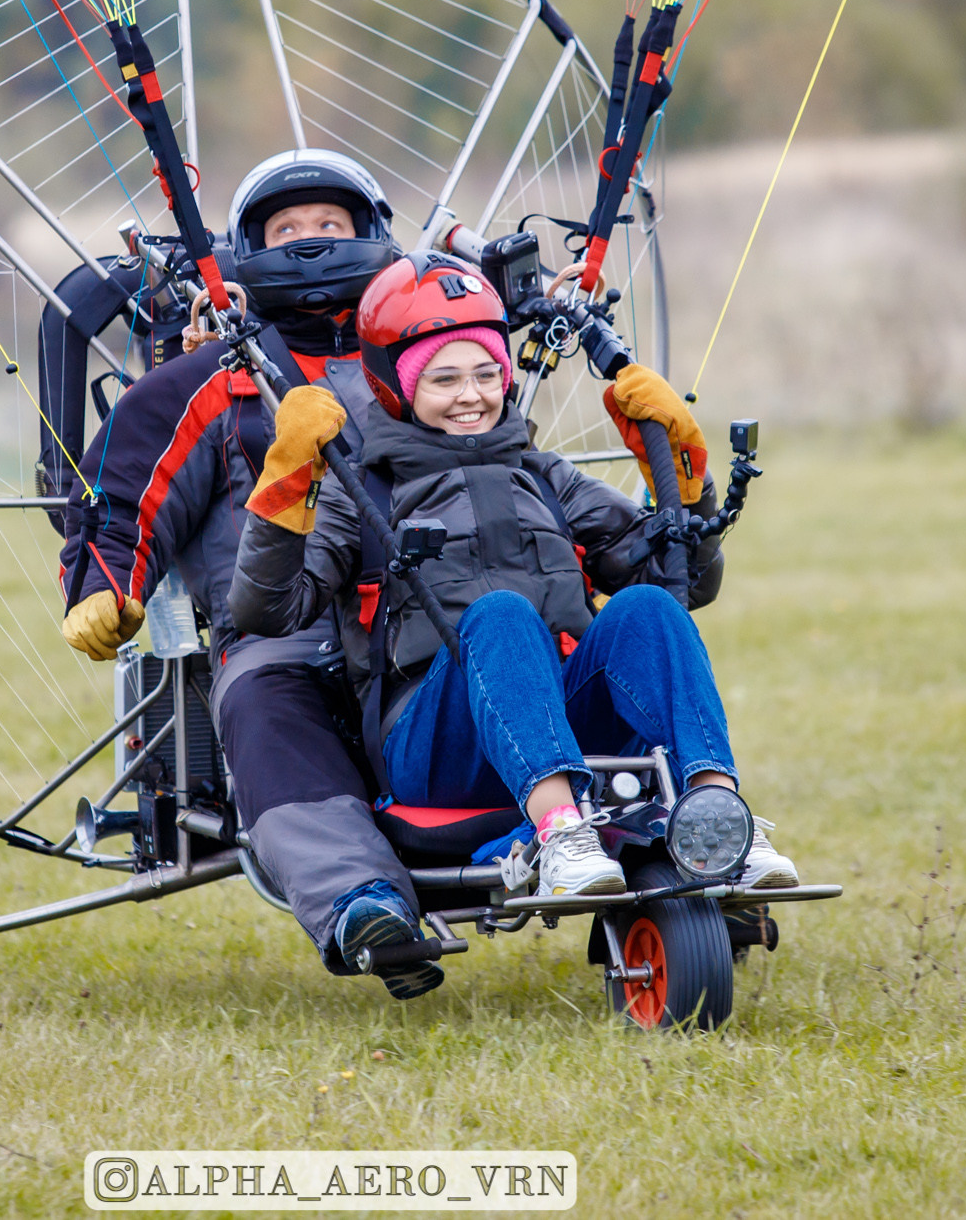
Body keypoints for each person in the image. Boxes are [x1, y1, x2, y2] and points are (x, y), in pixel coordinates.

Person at [229, 253, 797, 904]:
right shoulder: (362, 493)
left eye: (485, 373)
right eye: (443, 379)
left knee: (646, 606)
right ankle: (559, 830)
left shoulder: (545, 477)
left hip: (565, 719)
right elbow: (265, 610)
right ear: (395, 386)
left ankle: (718, 817)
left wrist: (686, 486)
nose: (471, 394)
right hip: (437, 744)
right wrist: (287, 483)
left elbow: (687, 581)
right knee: (501, 613)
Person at [55, 152, 445, 997]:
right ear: (248, 253)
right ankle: (361, 901)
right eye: (288, 231)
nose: (310, 245)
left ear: (373, 237)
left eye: (330, 228)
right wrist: (101, 588)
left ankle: (649, 838)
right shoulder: (204, 385)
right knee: (267, 702)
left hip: (424, 622)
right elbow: (120, 499)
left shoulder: (430, 363)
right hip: (283, 636)